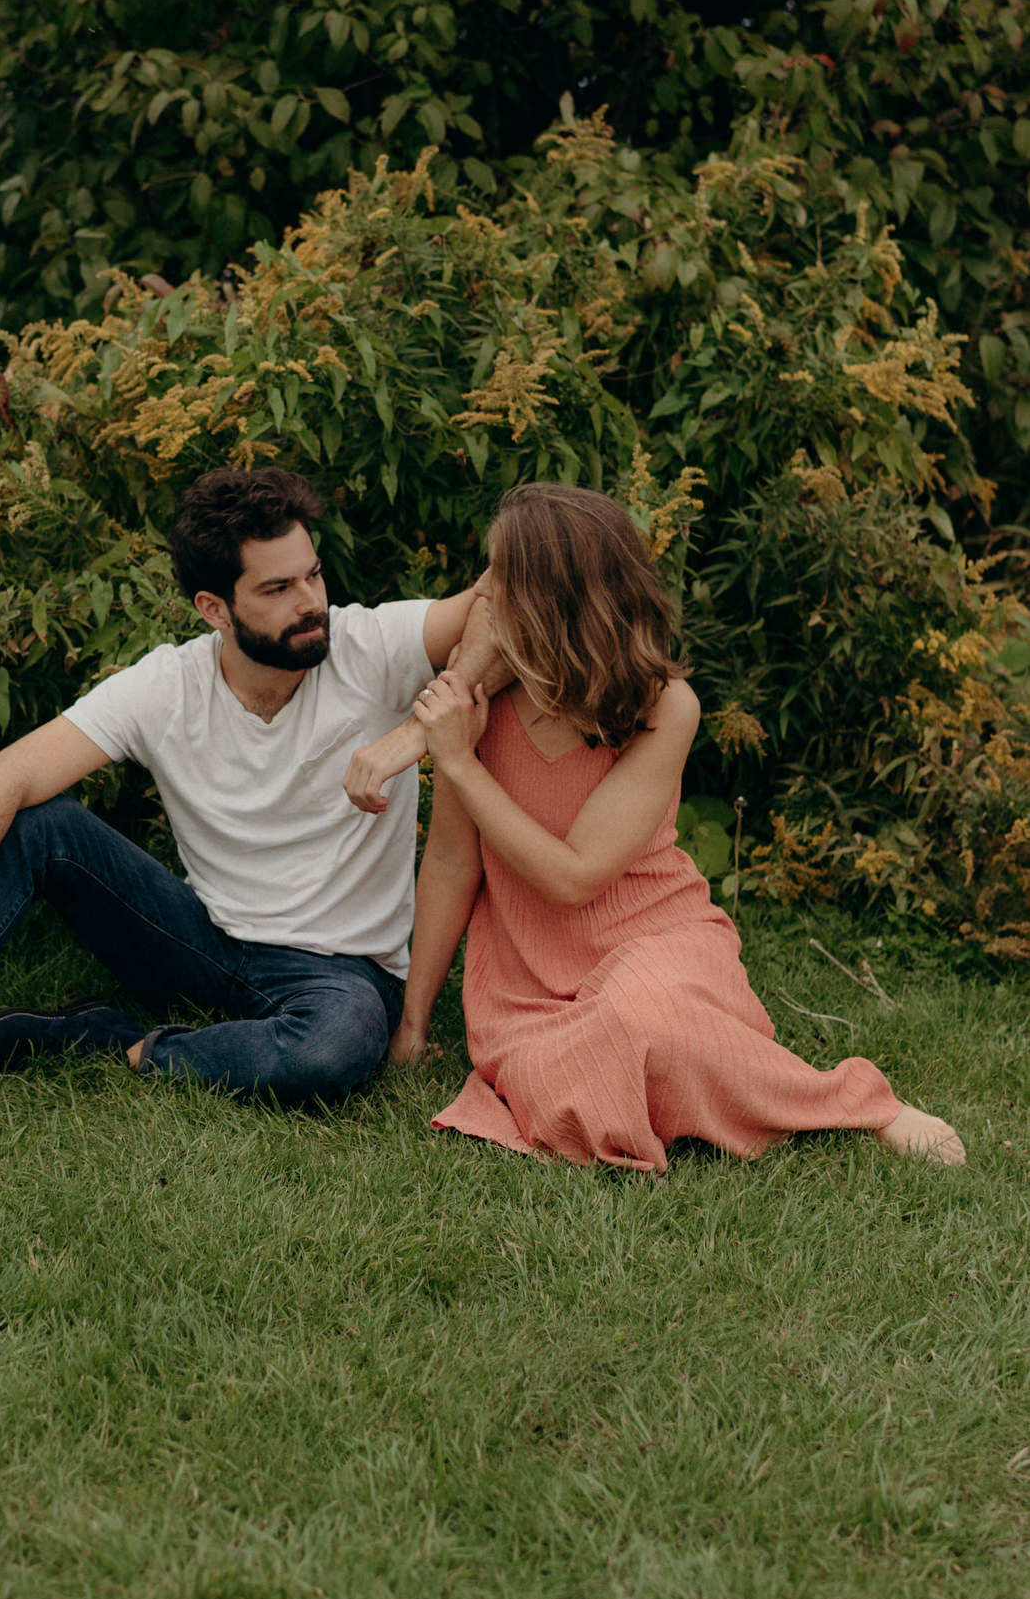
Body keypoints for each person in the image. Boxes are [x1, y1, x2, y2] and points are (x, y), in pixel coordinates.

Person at [0, 467, 493, 1130]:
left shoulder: (373, 645)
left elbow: (510, 595)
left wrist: (408, 740)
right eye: (278, 587)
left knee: (335, 1046)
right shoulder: (167, 685)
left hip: (339, 975)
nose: (311, 601)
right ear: (213, 609)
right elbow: (3, 779)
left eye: (314, 574)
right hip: (202, 942)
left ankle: (114, 1044)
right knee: (41, 823)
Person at [389, 483, 965, 1172]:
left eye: (499, 576)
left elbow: (573, 877)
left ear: (553, 600)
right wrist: (412, 1028)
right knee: (556, 1086)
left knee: (648, 1023)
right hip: (525, 984)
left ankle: (858, 1103)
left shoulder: (664, 706)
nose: (480, 592)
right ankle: (665, 1071)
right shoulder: (479, 702)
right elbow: (453, 863)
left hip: (654, 939)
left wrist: (457, 763)